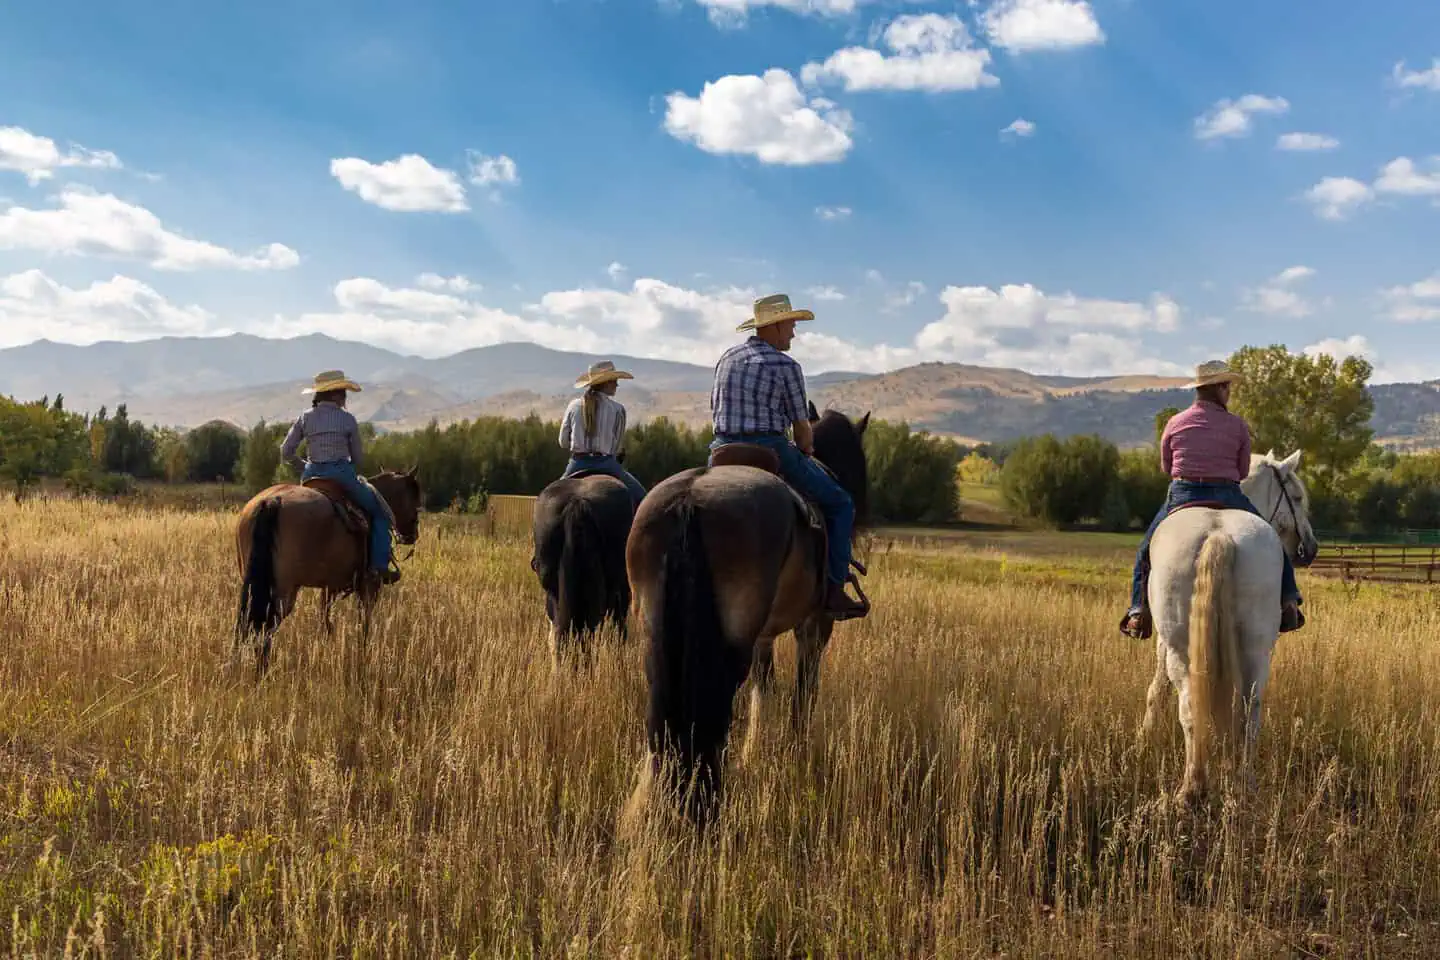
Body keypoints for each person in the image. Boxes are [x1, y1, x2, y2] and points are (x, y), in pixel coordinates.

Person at [708, 293, 868, 621]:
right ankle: (834, 589)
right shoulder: (786, 365)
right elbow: (801, 426)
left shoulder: (727, 357)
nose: (794, 333)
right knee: (841, 504)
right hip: (769, 449)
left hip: (721, 451)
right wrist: (806, 448)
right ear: (777, 326)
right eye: (792, 325)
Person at [1120, 359, 1303, 639]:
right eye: (1227, 386)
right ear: (1218, 388)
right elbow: (1242, 471)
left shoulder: (1175, 422)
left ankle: (1137, 611)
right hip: (1228, 493)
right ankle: (1289, 602)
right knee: (1272, 541)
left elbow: (1166, 467)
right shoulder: (1237, 426)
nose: (1229, 391)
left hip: (1183, 494)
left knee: (1145, 550)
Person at [280, 370, 399, 585]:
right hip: (341, 475)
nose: (345, 397)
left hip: (310, 476)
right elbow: (358, 458)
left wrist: (304, 465)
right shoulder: (347, 419)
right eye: (343, 393)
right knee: (380, 514)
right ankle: (379, 567)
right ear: (335, 394)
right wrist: (346, 467)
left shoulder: (305, 418)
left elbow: (285, 451)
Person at [558, 360, 647, 508]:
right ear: (606, 383)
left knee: (549, 500)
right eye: (614, 381)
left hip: (576, 463)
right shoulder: (618, 410)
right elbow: (616, 449)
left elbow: (563, 442)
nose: (617, 385)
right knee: (643, 500)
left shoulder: (573, 406)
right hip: (607, 465)